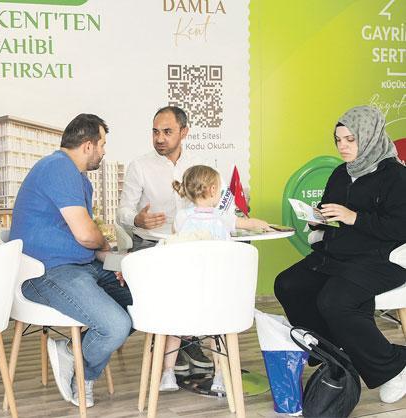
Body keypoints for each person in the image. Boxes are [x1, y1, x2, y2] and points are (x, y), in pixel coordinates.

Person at [119, 106, 270, 372]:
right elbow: (123, 212)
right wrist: (137, 220)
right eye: (155, 132)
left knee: (205, 279)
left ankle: (187, 339)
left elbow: (223, 209)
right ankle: (171, 339)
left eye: (167, 132)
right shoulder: (139, 166)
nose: (159, 138)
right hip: (153, 245)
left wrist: (246, 222)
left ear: (184, 132)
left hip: (196, 246)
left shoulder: (202, 164)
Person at [275, 106, 406, 404]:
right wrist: (318, 219)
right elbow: (331, 212)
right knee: (287, 284)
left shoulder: (397, 176)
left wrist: (353, 217)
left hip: (382, 259)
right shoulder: (341, 173)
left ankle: (394, 366)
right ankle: (334, 348)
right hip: (340, 252)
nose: (343, 146)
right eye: (338, 140)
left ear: (370, 137)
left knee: (334, 301)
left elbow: (399, 227)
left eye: (350, 139)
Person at [10, 114, 133, 408]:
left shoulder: (78, 179)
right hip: (46, 273)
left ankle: (70, 352)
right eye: (102, 144)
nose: (103, 151)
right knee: (116, 326)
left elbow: (88, 242)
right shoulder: (59, 167)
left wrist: (116, 264)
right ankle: (84, 374)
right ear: (88, 145)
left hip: (80, 267)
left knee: (144, 302)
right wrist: (104, 247)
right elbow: (88, 236)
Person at [156, 165, 272, 392]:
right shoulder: (222, 218)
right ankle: (220, 376)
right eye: (219, 189)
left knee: (174, 329)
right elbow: (244, 226)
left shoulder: (181, 217)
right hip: (215, 295)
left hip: (186, 293)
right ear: (211, 190)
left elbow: (175, 242)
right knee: (219, 331)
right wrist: (261, 224)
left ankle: (168, 375)